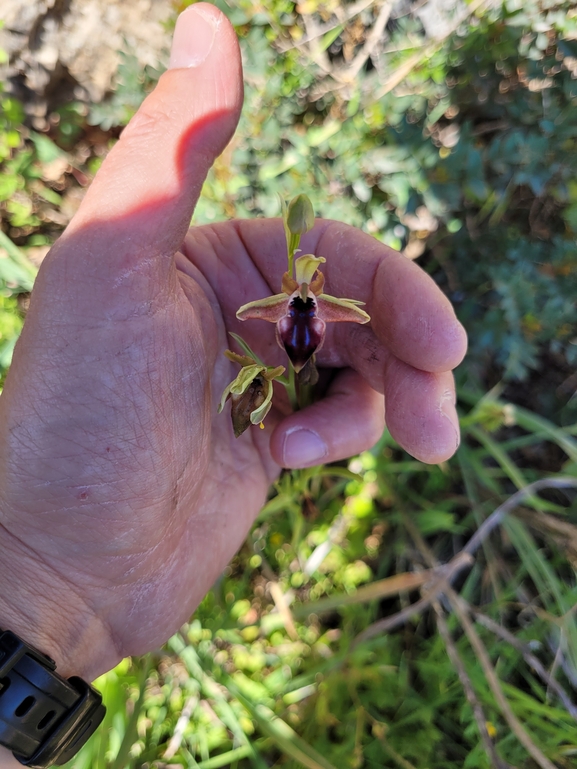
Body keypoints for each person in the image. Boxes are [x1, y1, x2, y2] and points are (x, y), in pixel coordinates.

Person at [0, 4, 466, 764]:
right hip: (256, 356)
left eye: (308, 287)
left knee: (354, 371)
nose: (307, 290)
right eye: (303, 284)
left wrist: (41, 579)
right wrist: (44, 580)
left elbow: (321, 312)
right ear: (296, 287)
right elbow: (265, 308)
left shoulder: (312, 304)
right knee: (305, 386)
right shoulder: (270, 306)